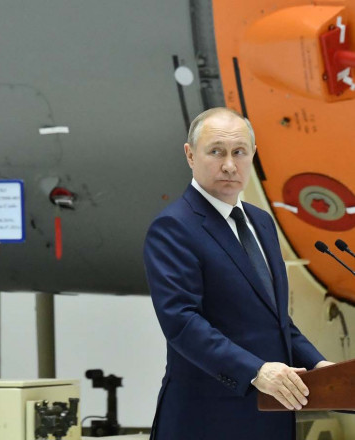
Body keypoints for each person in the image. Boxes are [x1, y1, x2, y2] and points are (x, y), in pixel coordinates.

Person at [143, 107, 334, 439]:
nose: (229, 164)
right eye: (216, 151)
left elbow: (276, 322)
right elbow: (182, 322)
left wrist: (321, 367)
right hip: (206, 419)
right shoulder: (173, 227)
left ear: (253, 156)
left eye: (239, 152)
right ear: (190, 155)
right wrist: (255, 371)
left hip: (271, 416)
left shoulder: (261, 223)